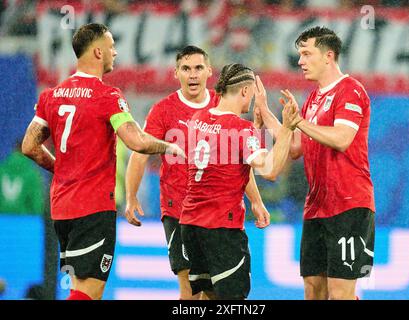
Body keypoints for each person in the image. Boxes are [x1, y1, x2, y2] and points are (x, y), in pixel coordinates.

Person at [21, 23, 184, 301]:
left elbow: (29, 146)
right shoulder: (108, 97)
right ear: (98, 52)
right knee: (88, 293)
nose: (115, 53)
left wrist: (59, 168)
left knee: (79, 289)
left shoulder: (51, 95)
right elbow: (137, 142)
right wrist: (172, 146)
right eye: (111, 47)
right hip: (93, 209)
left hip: (61, 208)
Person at [124, 46, 269, 300]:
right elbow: (140, 152)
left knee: (209, 292)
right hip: (179, 211)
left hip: (216, 216)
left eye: (198, 68)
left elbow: (238, 161)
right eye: (186, 69)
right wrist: (131, 195)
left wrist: (255, 200)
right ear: (175, 73)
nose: (193, 75)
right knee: (190, 291)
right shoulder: (163, 110)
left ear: (209, 71)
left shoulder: (222, 104)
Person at [255, 26, 375, 300]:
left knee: (340, 293)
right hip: (317, 207)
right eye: (300, 54)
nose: (300, 61)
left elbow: (342, 138)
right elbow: (295, 146)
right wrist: (266, 111)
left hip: (349, 205)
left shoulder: (351, 90)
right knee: (312, 290)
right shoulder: (313, 99)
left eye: (307, 54)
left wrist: (300, 123)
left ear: (328, 56)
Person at [180, 63, 301, 300]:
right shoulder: (239, 129)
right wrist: (287, 129)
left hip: (192, 226)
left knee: (209, 296)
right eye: (254, 94)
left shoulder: (198, 119)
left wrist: (255, 201)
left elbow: (230, 163)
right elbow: (270, 170)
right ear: (246, 91)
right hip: (221, 229)